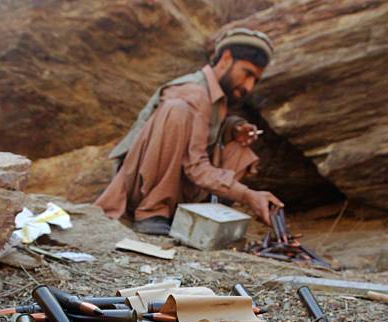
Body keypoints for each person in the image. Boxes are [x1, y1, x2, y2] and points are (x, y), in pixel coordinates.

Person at [95, 27, 284, 235]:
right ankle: (152, 210)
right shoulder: (191, 92)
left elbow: (202, 133)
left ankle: (201, 214)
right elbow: (196, 166)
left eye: (255, 80)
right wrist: (248, 196)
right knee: (177, 111)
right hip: (138, 188)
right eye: (247, 73)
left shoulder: (216, 96)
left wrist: (232, 128)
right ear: (226, 58)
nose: (249, 86)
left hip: (179, 186)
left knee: (239, 150)